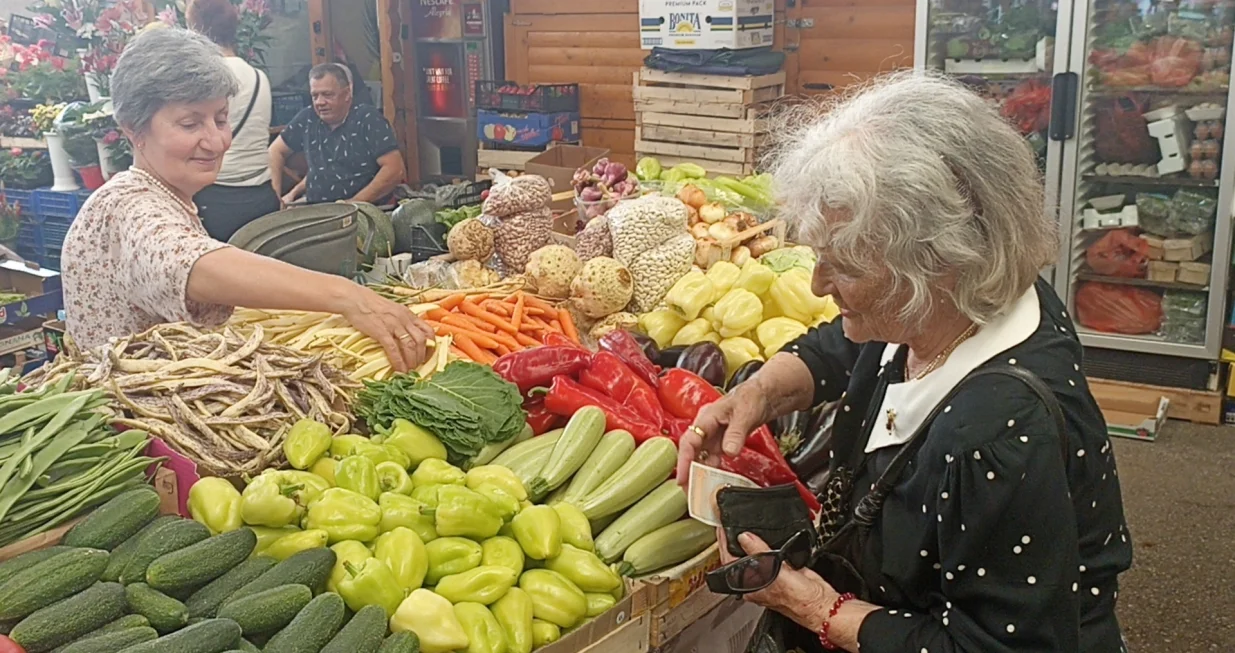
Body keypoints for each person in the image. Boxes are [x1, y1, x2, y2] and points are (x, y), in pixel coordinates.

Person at [678, 72, 1132, 653]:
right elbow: (847, 345)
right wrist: (758, 394)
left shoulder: (998, 431)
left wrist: (815, 607)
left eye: (843, 266)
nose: (818, 285)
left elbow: (994, 647)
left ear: (936, 261)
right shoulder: (961, 302)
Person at [60, 27, 433, 372]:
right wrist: (347, 296)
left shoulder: (166, 197)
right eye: (190, 124)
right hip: (129, 417)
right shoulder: (128, 205)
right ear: (133, 129)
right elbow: (185, 262)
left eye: (221, 119)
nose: (216, 141)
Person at [184, 0, 280, 242]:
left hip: (218, 199)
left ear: (197, 30)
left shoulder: (202, 79)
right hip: (262, 195)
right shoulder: (259, 77)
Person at [268, 63, 404, 207]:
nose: (320, 102)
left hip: (366, 210)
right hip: (316, 208)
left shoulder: (368, 119)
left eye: (327, 95)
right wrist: (276, 197)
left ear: (347, 94)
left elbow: (394, 169)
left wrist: (353, 204)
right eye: (315, 96)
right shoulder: (307, 118)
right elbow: (275, 151)